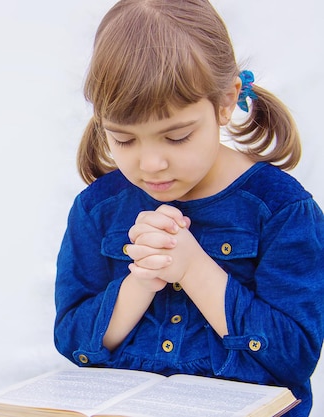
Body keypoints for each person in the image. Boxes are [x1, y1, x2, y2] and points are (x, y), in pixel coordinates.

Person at [53, 1, 324, 416]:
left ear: (225, 102)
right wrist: (140, 282)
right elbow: (72, 342)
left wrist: (194, 268)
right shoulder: (96, 210)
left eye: (176, 137)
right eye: (124, 140)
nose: (150, 164)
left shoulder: (283, 210)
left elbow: (293, 357)